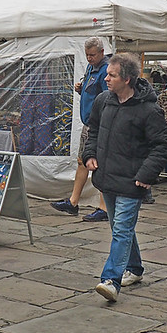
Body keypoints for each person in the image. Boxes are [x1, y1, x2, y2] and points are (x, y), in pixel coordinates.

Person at [83, 52, 167, 302]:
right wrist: (89, 154)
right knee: (120, 228)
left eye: (112, 75)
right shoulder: (103, 101)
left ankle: (111, 280)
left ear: (128, 79)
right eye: (107, 74)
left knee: (121, 229)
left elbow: (163, 146)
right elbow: (94, 130)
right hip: (107, 177)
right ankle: (134, 268)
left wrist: (147, 174)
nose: (107, 78)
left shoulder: (149, 110)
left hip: (133, 181)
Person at [51, 37, 109, 221]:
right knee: (82, 161)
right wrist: (81, 88)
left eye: (92, 55)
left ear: (101, 52)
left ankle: (104, 208)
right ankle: (73, 202)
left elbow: (107, 96)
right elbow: (92, 90)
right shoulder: (92, 67)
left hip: (99, 124)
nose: (89, 58)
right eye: (87, 55)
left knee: (99, 164)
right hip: (89, 123)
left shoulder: (106, 69)